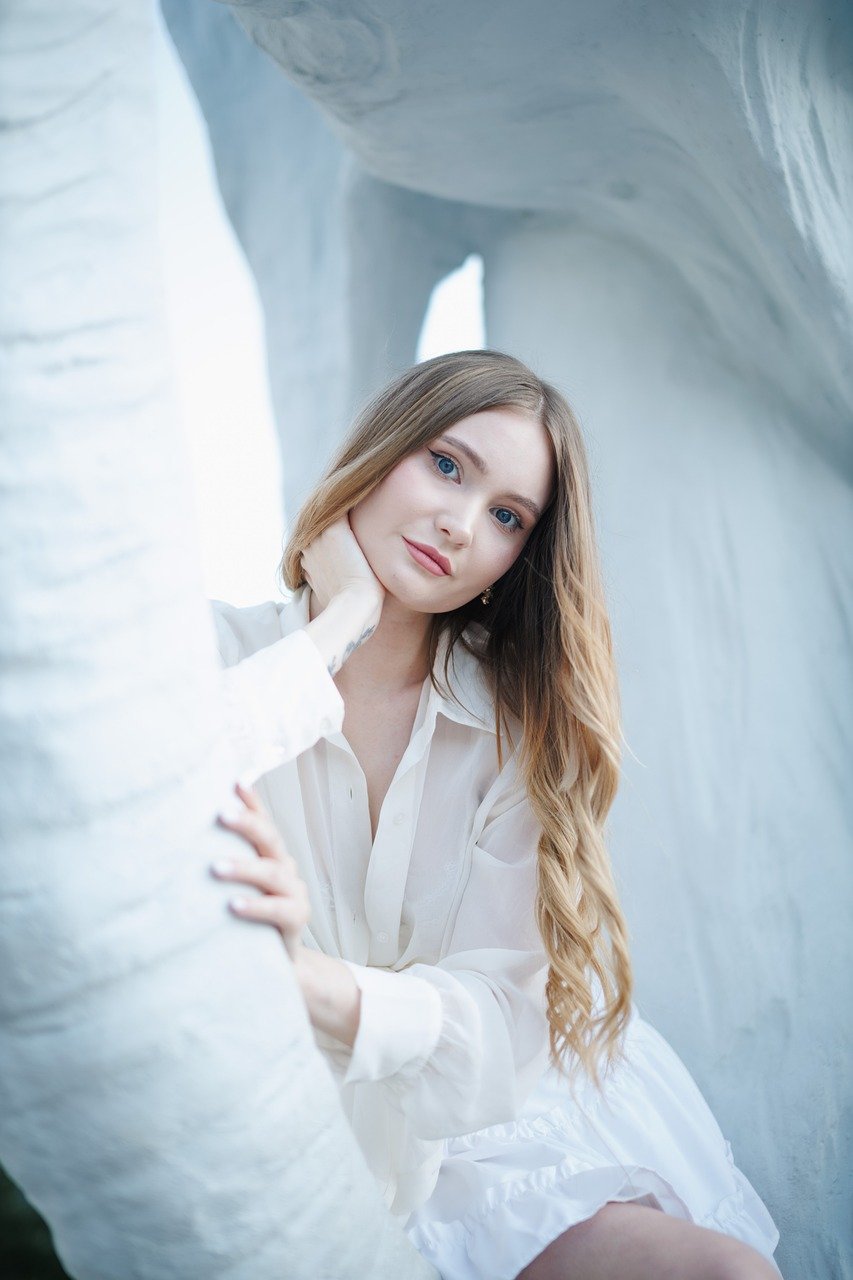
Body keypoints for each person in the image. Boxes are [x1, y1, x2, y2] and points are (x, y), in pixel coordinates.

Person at [209, 350, 781, 1280]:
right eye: (445, 464)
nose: (459, 522)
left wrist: (317, 987)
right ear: (379, 451)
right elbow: (159, 793)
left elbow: (492, 1028)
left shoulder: (514, 727)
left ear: (515, 559)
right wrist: (338, 619)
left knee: (727, 1276)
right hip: (299, 1121)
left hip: (494, 1120)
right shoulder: (221, 651)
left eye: (507, 516)